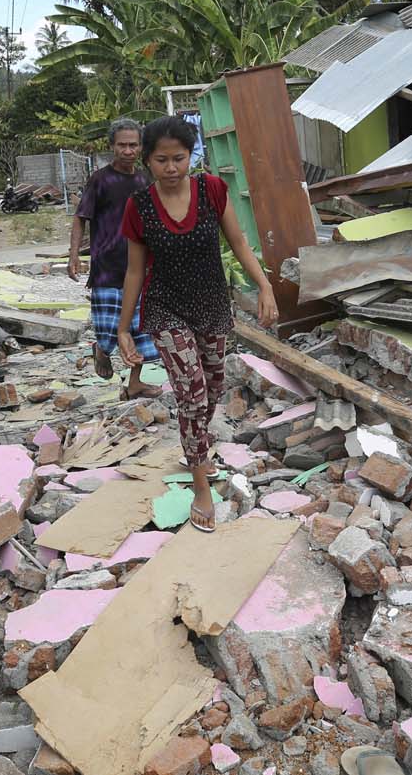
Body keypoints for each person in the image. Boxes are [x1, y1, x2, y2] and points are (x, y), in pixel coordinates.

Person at [117, 116, 277, 532]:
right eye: (161, 160)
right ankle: (200, 482)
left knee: (212, 388)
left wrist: (264, 287)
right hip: (165, 308)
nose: (171, 169)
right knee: (190, 392)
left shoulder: (212, 191)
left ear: (191, 156)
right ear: (148, 162)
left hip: (211, 303)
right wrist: (123, 328)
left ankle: (198, 446)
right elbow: (134, 271)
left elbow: (239, 241)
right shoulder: (140, 206)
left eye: (179, 158)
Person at [70, 119, 160, 399]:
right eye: (122, 145)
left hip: (139, 267)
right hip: (107, 268)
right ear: (112, 146)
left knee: (140, 329)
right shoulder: (100, 179)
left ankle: (135, 383)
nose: (128, 150)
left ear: (141, 147)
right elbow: (80, 217)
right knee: (109, 330)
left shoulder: (145, 179)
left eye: (133, 145)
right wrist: (74, 256)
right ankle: (101, 349)